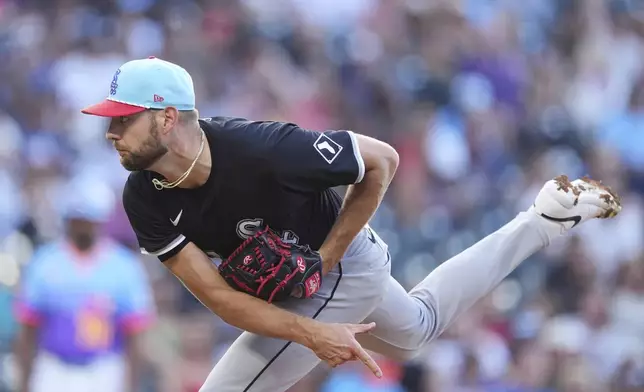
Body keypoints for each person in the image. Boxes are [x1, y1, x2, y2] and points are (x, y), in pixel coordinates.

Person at [80, 56, 622, 392]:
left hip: (342, 263)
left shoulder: (263, 149)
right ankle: (543, 219)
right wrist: (312, 331)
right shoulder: (143, 196)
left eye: (123, 119)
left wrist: (328, 257)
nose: (112, 131)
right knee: (415, 329)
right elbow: (219, 299)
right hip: (307, 288)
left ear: (167, 117)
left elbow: (383, 159)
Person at [13, 177, 155, 392]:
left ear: (100, 220)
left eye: (89, 220)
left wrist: (131, 385)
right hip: (54, 368)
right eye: (78, 219)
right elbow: (28, 328)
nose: (84, 227)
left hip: (104, 369)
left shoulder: (123, 266)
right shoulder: (45, 262)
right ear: (69, 220)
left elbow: (134, 333)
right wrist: (24, 383)